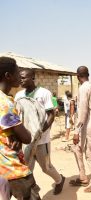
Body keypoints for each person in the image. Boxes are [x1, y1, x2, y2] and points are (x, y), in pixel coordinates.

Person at [14, 68, 65, 195]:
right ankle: (32, 192)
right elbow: (16, 116)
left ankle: (59, 180)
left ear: (32, 78)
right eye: (19, 77)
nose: (21, 80)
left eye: (24, 77)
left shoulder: (44, 93)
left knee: (46, 168)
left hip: (42, 140)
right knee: (27, 169)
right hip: (26, 140)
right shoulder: (19, 96)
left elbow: (51, 115)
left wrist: (40, 132)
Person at [0, 57, 40, 199]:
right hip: (12, 167)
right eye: (18, 73)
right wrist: (19, 135)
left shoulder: (7, 98)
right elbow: (27, 137)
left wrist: (14, 134)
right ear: (8, 76)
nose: (20, 78)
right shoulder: (5, 103)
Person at [71, 66, 91, 192]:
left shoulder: (83, 88)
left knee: (89, 153)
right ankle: (83, 177)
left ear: (77, 76)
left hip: (87, 125)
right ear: (88, 74)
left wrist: (76, 131)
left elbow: (83, 112)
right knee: (77, 149)